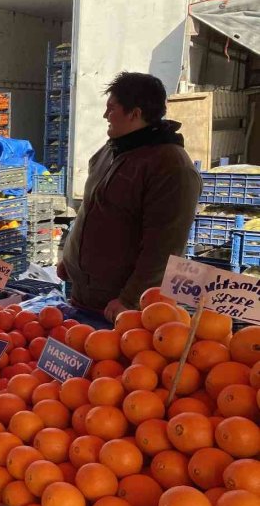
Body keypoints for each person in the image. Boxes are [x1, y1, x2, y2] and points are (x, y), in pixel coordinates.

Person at [59, 72, 201, 322]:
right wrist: (70, 260)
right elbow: (90, 210)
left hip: (121, 309)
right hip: (84, 295)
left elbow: (164, 247)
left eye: (111, 108)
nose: (105, 115)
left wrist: (131, 298)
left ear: (135, 114)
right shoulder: (112, 149)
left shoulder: (172, 167)